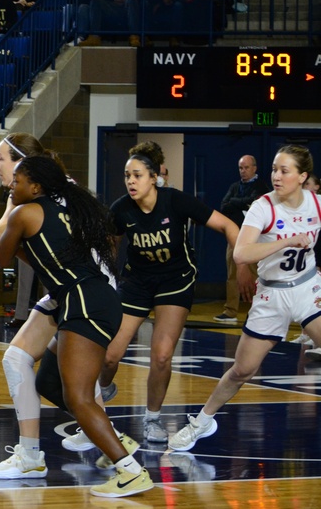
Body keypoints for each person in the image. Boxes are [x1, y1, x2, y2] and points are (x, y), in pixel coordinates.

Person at [0, 155, 153, 498]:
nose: (11, 185)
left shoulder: (24, 213)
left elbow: (1, 257)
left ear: (35, 186)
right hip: (98, 299)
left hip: (82, 303)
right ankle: (111, 439)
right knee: (49, 381)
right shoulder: (68, 210)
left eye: (17, 180)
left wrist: (11, 213)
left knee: (79, 398)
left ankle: (130, 471)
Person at [169, 146, 321, 453]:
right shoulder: (263, 207)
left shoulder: (316, 204)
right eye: (274, 169)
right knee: (242, 370)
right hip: (271, 294)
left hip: (308, 289)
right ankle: (201, 422)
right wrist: (288, 240)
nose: (276, 176)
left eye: (284, 170)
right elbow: (241, 253)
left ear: (303, 177)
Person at [100, 141, 241, 442]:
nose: (131, 181)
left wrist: (242, 263)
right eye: (127, 176)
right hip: (136, 283)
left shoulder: (175, 201)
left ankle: (152, 418)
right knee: (110, 355)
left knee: (162, 356)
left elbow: (228, 224)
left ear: (154, 177)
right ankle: (100, 397)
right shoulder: (121, 209)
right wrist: (107, 277)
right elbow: (110, 244)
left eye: (137, 175)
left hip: (174, 281)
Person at [216, 155, 268, 325]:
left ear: (254, 168)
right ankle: (230, 311)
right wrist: (242, 204)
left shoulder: (261, 186)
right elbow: (224, 206)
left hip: (254, 238)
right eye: (240, 168)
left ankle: (256, 311)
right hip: (234, 236)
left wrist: (235, 203)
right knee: (232, 273)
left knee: (254, 274)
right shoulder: (234, 186)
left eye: (246, 168)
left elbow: (255, 204)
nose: (243, 171)